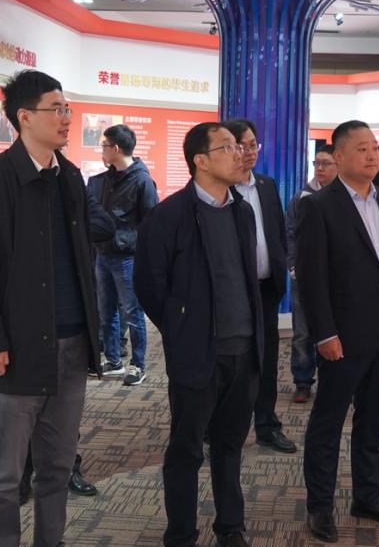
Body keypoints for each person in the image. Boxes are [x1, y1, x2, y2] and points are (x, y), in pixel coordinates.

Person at [0, 70, 113, 547]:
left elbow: (85, 253)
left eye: (68, 108)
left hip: (72, 344)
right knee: (3, 475)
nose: (66, 118)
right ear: (24, 117)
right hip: (17, 348)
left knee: (58, 467)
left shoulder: (69, 177)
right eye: (56, 109)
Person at [134, 122, 262, 547]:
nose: (239, 153)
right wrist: (182, 329)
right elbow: (149, 286)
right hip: (197, 353)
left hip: (243, 350)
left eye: (239, 146)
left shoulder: (242, 211)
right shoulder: (168, 216)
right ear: (201, 161)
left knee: (230, 446)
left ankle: (231, 528)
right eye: (227, 147)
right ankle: (181, 535)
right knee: (186, 449)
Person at [296, 119, 379, 543]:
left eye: (374, 148)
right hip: (343, 335)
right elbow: (311, 278)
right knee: (328, 422)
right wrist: (324, 334)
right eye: (362, 148)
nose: (372, 155)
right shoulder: (319, 206)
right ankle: (320, 507)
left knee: (373, 419)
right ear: (340, 156)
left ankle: (367, 496)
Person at [221, 119, 294, 455]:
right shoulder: (222, 188)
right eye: (242, 145)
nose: (249, 152)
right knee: (232, 362)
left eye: (253, 145)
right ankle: (220, 427)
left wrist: (280, 270)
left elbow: (277, 232)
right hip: (233, 293)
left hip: (266, 290)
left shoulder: (266, 184)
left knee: (266, 361)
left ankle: (267, 426)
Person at [86, 124, 158, 384]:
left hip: (127, 258)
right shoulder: (104, 180)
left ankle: (138, 365)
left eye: (104, 146)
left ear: (116, 148)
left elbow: (151, 225)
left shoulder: (142, 180)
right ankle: (114, 360)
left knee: (132, 313)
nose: (101, 151)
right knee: (106, 311)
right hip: (102, 254)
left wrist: (125, 241)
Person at [285, 144, 338, 403]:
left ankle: (333, 382)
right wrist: (293, 265)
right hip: (304, 276)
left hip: (336, 278)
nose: (320, 168)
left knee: (336, 331)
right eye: (317, 163)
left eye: (326, 164)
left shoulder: (345, 196)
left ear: (338, 164)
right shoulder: (302, 197)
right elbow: (289, 234)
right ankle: (303, 382)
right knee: (303, 332)